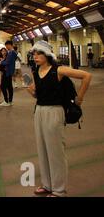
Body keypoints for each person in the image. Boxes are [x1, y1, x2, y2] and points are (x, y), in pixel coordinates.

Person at [26, 41, 91, 197]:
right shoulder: (36, 70)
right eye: (33, 54)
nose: (35, 57)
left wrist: (80, 99)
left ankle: (59, 190)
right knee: (43, 150)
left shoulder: (58, 70)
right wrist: (30, 90)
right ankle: (48, 185)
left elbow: (86, 76)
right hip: (39, 112)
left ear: (47, 54)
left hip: (55, 112)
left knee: (56, 152)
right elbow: (37, 94)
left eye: (38, 53)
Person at [0, 41, 17, 106]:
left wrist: (1, 62)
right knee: (9, 87)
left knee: (3, 86)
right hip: (10, 71)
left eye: (6, 46)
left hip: (7, 72)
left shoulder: (11, 52)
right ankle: (10, 101)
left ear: (9, 45)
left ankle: (6, 101)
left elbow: (7, 62)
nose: (6, 47)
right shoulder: (13, 52)